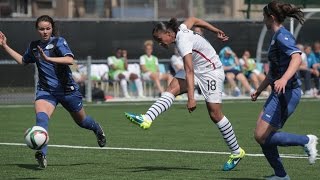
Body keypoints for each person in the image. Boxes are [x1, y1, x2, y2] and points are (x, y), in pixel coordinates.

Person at [124, 17, 245, 171]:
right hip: (197, 68)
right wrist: (215, 31)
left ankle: (237, 152)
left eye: (160, 39)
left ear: (168, 33)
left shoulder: (182, 41)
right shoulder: (180, 28)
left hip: (211, 72)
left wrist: (191, 98)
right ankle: (147, 118)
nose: (160, 43)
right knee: (171, 89)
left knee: (215, 114)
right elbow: (194, 19)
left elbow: (189, 70)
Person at [0, 15, 106, 169]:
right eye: (41, 29)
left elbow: (70, 60)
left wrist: (49, 59)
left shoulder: (58, 42)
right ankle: (42, 154)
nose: (45, 32)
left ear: (52, 29)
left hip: (67, 90)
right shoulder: (34, 46)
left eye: (47, 28)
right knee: (41, 120)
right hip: (46, 91)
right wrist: (4, 45)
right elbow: (23, 61)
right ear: (37, 30)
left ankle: (97, 128)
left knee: (82, 122)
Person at [250, 2, 318, 179]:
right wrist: (259, 89)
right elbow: (273, 72)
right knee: (261, 135)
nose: (262, 19)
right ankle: (280, 175)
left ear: (271, 17)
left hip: (288, 93)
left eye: (264, 16)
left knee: (261, 135)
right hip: (278, 92)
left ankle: (307, 140)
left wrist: (285, 78)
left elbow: (296, 58)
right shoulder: (275, 36)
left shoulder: (282, 36)